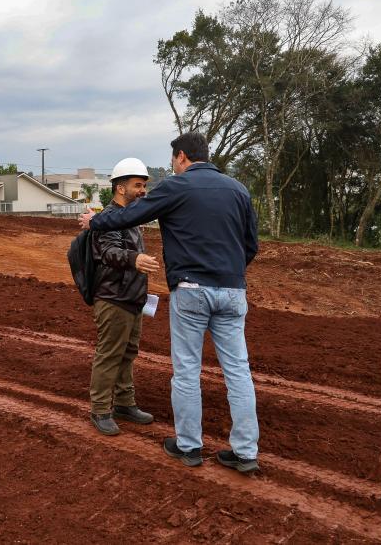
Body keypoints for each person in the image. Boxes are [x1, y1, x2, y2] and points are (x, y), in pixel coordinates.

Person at [79, 133, 260, 472]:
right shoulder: (238, 189)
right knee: (238, 371)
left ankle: (189, 446)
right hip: (233, 291)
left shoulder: (177, 187)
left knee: (188, 370)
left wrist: (94, 220)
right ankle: (246, 451)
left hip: (191, 289)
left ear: (180, 158)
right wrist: (229, 271)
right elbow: (251, 244)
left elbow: (124, 217)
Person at [87, 158, 159, 436]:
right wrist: (134, 258)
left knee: (128, 352)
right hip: (113, 297)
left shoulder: (131, 218)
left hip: (132, 297)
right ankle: (101, 409)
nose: (143, 191)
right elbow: (107, 252)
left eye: (143, 186)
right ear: (120, 188)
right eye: (137, 186)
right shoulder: (110, 218)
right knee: (110, 353)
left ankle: (125, 404)